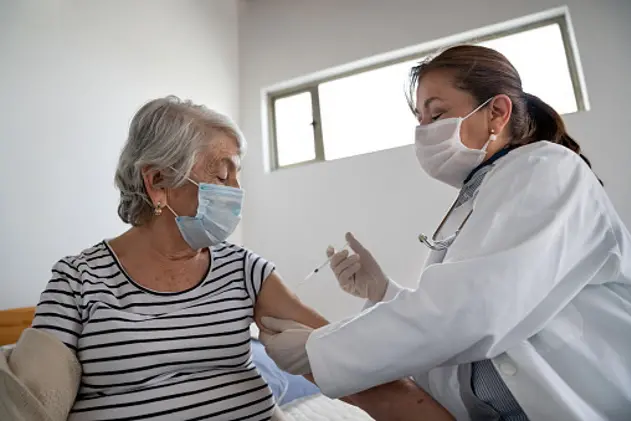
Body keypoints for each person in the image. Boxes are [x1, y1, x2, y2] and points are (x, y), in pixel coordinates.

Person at [0, 96, 453, 421]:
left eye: (238, 174)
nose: (236, 191)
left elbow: (349, 362)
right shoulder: (78, 280)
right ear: (157, 182)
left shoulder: (243, 269)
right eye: (222, 173)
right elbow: (30, 402)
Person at [259, 45, 631, 420]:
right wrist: (383, 292)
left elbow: (472, 309)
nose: (424, 131)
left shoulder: (546, 169)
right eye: (419, 119)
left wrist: (320, 350)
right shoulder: (482, 195)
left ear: (497, 113)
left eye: (436, 113)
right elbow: (457, 341)